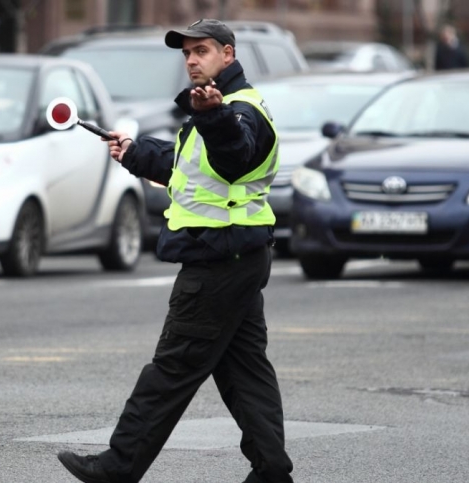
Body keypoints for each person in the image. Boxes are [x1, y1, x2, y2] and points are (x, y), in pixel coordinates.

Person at [57, 19, 294, 483]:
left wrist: (213, 115)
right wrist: (136, 153)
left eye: (201, 51)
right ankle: (271, 470)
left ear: (227, 54)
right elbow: (189, 168)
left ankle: (118, 467)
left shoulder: (236, 110)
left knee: (172, 368)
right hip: (237, 257)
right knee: (245, 372)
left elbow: (233, 153)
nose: (190, 60)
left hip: (218, 259)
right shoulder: (221, 107)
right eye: (186, 53)